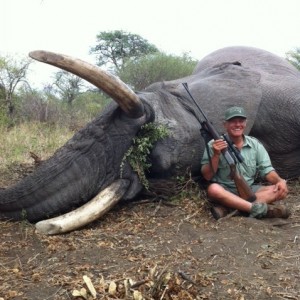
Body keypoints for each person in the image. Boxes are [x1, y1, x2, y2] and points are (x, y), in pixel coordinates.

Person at [201, 106, 290, 220]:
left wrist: (279, 181)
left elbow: (267, 170)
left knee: (280, 190)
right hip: (225, 190)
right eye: (233, 121)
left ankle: (231, 208)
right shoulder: (213, 144)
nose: (238, 125)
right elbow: (207, 176)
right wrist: (216, 155)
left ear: (245, 123)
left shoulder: (255, 144)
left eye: (241, 121)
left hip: (250, 190)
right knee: (213, 190)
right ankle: (259, 209)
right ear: (225, 125)